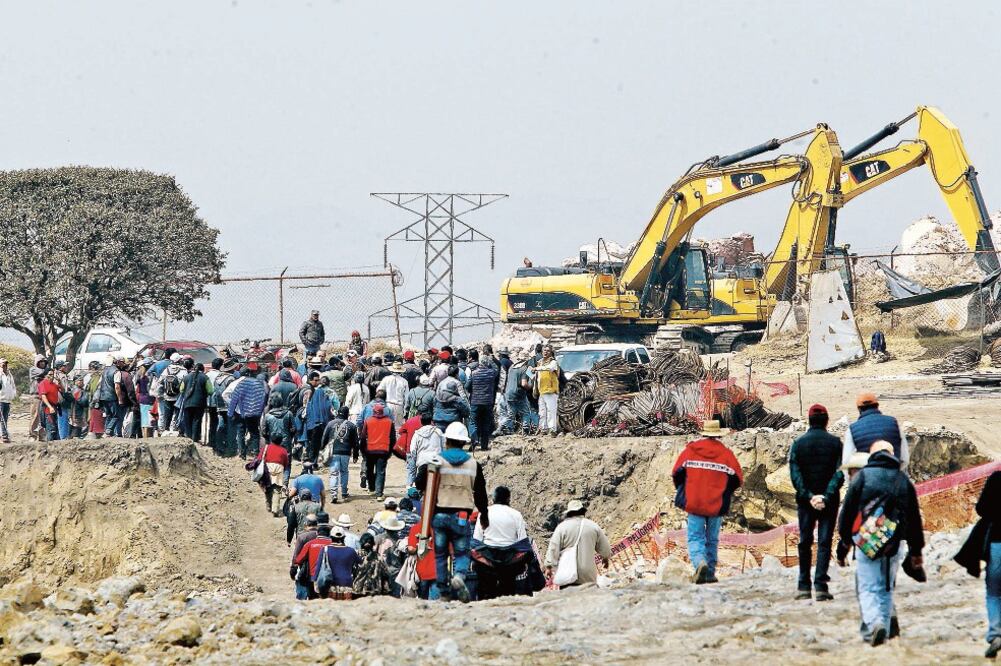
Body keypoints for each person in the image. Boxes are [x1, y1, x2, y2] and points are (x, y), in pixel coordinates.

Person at [837, 442, 924, 647]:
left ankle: (875, 624)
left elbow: (847, 513)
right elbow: (913, 517)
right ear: (892, 455)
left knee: (867, 587)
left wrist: (845, 543)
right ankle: (883, 630)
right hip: (893, 542)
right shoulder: (902, 479)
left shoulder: (863, 477)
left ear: (871, 456)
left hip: (866, 539)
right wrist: (916, 550)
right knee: (886, 587)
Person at [415, 422, 489, 602]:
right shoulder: (473, 464)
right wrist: (484, 516)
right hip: (462, 516)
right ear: (464, 443)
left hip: (439, 516)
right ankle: (459, 576)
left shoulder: (437, 460)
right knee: (462, 552)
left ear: (446, 440)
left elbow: (419, 483)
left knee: (440, 554)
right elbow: (480, 493)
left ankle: (444, 592)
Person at [671, 420, 744, 584]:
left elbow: (676, 473)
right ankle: (709, 572)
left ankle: (699, 564)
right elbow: (737, 479)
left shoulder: (690, 451)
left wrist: (684, 490)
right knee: (712, 539)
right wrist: (724, 492)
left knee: (695, 537)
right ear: (718, 434)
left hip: (694, 502)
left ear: (703, 433)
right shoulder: (726, 455)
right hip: (716, 504)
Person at [788, 404, 844, 601]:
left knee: (804, 541)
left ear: (809, 420)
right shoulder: (836, 443)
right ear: (827, 421)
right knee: (824, 542)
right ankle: (820, 585)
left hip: (805, 502)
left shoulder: (798, 443)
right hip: (829, 502)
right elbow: (839, 473)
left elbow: (795, 475)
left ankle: (803, 585)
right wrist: (826, 496)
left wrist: (808, 495)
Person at [955, 471, 1001, 659]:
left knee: (994, 593)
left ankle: (996, 633)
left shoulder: (997, 478)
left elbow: (981, 509)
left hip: (997, 543)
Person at [544, 499, 611, 588]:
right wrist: (605, 558)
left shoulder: (562, 528)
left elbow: (553, 548)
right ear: (582, 512)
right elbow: (605, 548)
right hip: (588, 575)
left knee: (570, 599)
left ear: (569, 513)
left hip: (568, 573)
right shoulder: (593, 526)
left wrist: (549, 566)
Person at [843, 393, 909, 470]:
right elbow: (904, 459)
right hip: (893, 474)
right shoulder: (894, 423)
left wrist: (852, 480)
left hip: (868, 477)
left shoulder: (852, 429)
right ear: (877, 406)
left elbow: (847, 462)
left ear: (859, 409)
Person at [226, 370, 267, 459]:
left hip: (241, 412)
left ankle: (242, 454)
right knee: (255, 433)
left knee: (240, 432)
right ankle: (256, 454)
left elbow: (234, 399)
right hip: (254, 413)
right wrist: (260, 411)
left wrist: (230, 413)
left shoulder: (240, 384)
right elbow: (263, 397)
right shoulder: (257, 383)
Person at [322, 406, 359, 503]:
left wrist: (322, 449)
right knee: (344, 472)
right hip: (346, 452)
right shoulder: (352, 426)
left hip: (334, 452)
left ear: (338, 413)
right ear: (347, 414)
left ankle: (334, 494)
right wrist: (355, 455)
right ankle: (344, 492)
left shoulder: (330, 424)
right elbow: (356, 442)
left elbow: (324, 437)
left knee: (334, 473)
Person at [313, 526, 361, 600]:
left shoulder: (325, 549)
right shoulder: (351, 551)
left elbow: (318, 567)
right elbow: (360, 563)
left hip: (330, 585)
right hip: (347, 584)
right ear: (343, 538)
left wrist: (315, 581)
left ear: (331, 537)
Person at [250, 433, 292, 516]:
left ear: (271, 439)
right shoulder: (283, 450)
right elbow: (286, 463)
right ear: (281, 441)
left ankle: (269, 505)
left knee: (267, 488)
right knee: (276, 489)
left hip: (267, 469)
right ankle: (275, 509)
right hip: (278, 469)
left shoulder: (266, 448)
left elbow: (259, 459)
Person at [361, 403, 396, 501]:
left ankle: (372, 488)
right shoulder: (389, 422)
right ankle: (379, 494)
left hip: (370, 450)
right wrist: (390, 451)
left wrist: (362, 450)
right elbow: (393, 438)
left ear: (373, 411)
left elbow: (363, 437)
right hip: (383, 450)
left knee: (369, 470)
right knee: (380, 472)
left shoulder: (368, 421)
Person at [293, 518, 334, 600]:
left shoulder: (309, 544)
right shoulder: (333, 544)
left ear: (317, 533)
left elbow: (298, 560)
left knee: (312, 598)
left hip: (312, 577)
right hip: (330, 576)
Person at [406, 412, 445, 486]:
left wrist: (416, 460)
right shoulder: (438, 432)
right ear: (431, 421)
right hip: (435, 461)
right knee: (434, 485)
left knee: (423, 486)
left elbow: (413, 450)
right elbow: (444, 446)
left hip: (422, 462)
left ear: (421, 422)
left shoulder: (417, 434)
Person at [469, 359, 499, 451]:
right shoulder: (491, 373)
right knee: (486, 423)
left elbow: (467, 386)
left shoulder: (473, 373)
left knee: (473, 422)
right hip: (488, 402)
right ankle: (484, 446)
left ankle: (474, 439)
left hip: (475, 402)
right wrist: (491, 360)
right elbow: (497, 369)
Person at [180, 362, 213, 443]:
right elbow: (210, 390)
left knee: (188, 421)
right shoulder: (205, 377)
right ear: (203, 369)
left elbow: (181, 390)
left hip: (187, 402)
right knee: (197, 420)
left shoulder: (186, 377)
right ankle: (195, 439)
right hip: (200, 403)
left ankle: (189, 438)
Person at [290, 513, 321, 600]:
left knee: (301, 596)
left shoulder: (302, 537)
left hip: (304, 571)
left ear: (306, 524)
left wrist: (293, 570)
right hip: (319, 570)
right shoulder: (322, 536)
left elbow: (296, 556)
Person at [211, 359, 239, 456]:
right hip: (229, 405)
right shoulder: (231, 379)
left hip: (219, 405)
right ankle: (231, 448)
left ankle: (219, 446)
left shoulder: (218, 377)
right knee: (231, 427)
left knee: (221, 425)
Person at [156, 353, 188, 433]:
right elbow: (186, 383)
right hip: (178, 397)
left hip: (167, 395)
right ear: (180, 360)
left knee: (168, 414)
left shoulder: (166, 370)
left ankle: (166, 429)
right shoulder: (183, 371)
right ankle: (175, 430)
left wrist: (159, 394)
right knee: (177, 414)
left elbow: (160, 382)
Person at [501, 352, 532, 434]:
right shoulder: (526, 368)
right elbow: (524, 383)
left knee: (511, 414)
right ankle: (525, 428)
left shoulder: (512, 367)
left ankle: (504, 426)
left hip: (508, 393)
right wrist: (531, 387)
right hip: (518, 394)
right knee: (526, 412)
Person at [532, 345, 560, 435]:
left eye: (548, 351)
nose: (545, 352)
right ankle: (543, 429)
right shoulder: (540, 362)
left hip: (550, 390)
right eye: (544, 350)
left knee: (551, 411)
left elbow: (549, 368)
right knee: (542, 412)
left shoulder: (553, 362)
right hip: (541, 390)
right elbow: (536, 377)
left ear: (551, 352)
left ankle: (552, 429)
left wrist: (536, 369)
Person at [433, 364, 470, 432]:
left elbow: (435, 400)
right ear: (457, 374)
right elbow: (463, 398)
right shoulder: (456, 383)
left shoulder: (441, 383)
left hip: (438, 420)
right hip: (453, 421)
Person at [353, 532, 391, 597]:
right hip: (375, 588)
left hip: (358, 587)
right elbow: (385, 573)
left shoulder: (356, 554)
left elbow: (352, 570)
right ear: (373, 543)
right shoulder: (378, 556)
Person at [377, 362, 409, 430]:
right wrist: (405, 410)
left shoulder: (386, 379)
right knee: (398, 427)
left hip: (388, 404)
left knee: (386, 426)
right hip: (399, 405)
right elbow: (406, 397)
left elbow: (379, 391)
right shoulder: (404, 381)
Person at [27, 355, 49, 441]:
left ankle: (42, 435)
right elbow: (42, 373)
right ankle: (32, 435)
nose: (43, 363)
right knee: (35, 416)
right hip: (36, 396)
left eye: (44, 362)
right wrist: (47, 370)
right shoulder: (33, 369)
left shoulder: (47, 370)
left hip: (45, 396)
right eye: (41, 362)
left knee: (43, 417)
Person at [36, 368, 62, 441]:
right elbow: (43, 396)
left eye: (52, 375)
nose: (52, 377)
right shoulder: (43, 383)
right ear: (45, 376)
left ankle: (57, 445)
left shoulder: (54, 384)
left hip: (54, 408)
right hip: (47, 409)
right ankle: (49, 446)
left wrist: (60, 382)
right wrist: (50, 407)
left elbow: (62, 390)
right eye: (50, 375)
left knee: (56, 428)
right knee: (50, 428)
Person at [135, 358, 156, 439]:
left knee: (144, 421)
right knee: (150, 421)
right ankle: (148, 439)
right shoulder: (151, 376)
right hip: (150, 399)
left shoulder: (139, 375)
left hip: (141, 399)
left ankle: (144, 437)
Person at [84, 361, 105, 439]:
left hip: (91, 402)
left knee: (92, 419)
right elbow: (96, 391)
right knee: (96, 421)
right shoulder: (95, 378)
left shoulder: (90, 377)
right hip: (95, 402)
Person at [0, 358, 16, 443]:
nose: (4, 366)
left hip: (7, 400)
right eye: (2, 364)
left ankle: (3, 435)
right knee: (2, 418)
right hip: (1, 400)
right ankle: (4, 436)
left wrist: (13, 395)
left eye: (5, 364)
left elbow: (13, 386)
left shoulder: (9, 375)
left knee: (5, 418)